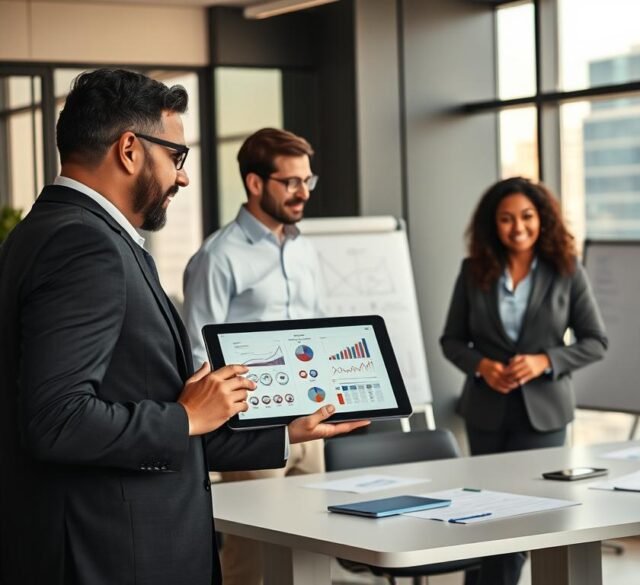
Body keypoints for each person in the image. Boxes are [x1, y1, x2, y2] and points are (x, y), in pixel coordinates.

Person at [0, 69, 368, 585]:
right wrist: (185, 417)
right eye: (177, 156)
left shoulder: (49, 231)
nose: (183, 177)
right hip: (114, 553)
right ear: (130, 149)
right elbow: (57, 420)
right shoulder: (85, 246)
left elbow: (143, 402)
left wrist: (280, 431)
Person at [440, 176, 609, 585]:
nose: (518, 227)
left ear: (542, 219)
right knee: (482, 517)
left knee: (523, 519)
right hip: (485, 412)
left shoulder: (567, 271)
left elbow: (595, 341)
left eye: (527, 217)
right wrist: (482, 367)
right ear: (491, 225)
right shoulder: (473, 271)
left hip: (544, 416)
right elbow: (451, 340)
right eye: (506, 219)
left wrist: (544, 361)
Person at [182, 127, 328, 585]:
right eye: (291, 182)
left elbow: (319, 329)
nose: (302, 192)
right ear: (255, 183)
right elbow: (196, 352)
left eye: (308, 180)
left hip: (310, 418)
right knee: (254, 556)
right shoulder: (218, 256)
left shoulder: (304, 248)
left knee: (311, 544)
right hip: (254, 426)